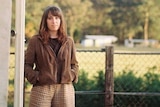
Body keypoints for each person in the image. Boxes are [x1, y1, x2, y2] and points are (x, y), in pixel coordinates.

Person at [24, 5, 79, 107]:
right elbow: (27, 65)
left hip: (64, 88)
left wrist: (71, 75)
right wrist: (37, 77)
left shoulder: (69, 41)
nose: (54, 21)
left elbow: (74, 64)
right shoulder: (36, 40)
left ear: (61, 20)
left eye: (57, 18)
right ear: (45, 21)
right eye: (50, 18)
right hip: (42, 88)